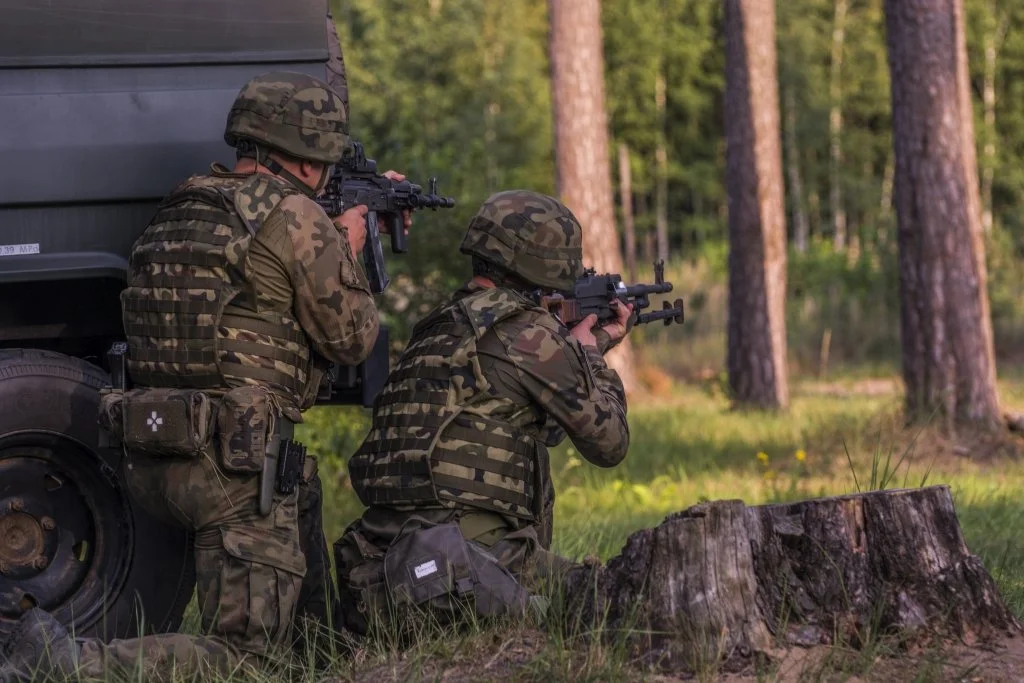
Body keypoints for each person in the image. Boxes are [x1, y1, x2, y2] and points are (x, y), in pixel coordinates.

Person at [0, 71, 402, 681]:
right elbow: (350, 339)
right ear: (308, 157)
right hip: (233, 471)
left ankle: (327, 658)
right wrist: (347, 247)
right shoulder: (296, 218)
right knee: (247, 656)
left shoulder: (184, 202)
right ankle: (69, 667)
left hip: (155, 455)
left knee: (301, 506)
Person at [333, 190, 633, 636]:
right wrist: (589, 355)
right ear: (548, 263)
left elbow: (524, 424)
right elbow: (610, 443)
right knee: (612, 606)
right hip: (466, 560)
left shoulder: (437, 325)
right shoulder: (529, 334)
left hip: (380, 562)